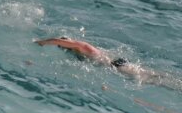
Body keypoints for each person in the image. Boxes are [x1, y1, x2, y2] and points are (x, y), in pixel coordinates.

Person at [35, 37, 180, 89]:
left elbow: (60, 41)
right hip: (117, 64)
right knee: (151, 75)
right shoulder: (81, 52)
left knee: (152, 79)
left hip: (117, 66)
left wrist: (42, 42)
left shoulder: (83, 46)